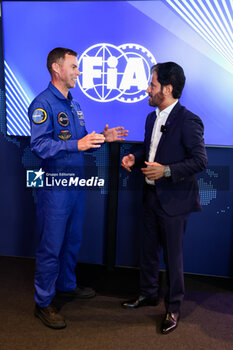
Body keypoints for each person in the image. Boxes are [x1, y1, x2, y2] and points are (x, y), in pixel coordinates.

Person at [28, 47, 128, 329]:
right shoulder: (42, 104)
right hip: (55, 189)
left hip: (76, 186)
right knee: (51, 246)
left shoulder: (74, 104)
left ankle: (66, 285)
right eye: (74, 66)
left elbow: (82, 138)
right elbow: (39, 146)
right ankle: (43, 303)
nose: (79, 72)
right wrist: (76, 144)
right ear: (56, 69)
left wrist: (102, 138)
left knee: (72, 241)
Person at [121, 62, 207, 334]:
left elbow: (200, 161)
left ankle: (173, 307)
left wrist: (166, 171)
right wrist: (136, 158)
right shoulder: (151, 117)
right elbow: (151, 148)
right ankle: (148, 293)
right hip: (150, 196)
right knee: (147, 251)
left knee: (172, 257)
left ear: (167, 89)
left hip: (174, 201)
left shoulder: (189, 120)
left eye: (152, 85)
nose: (147, 89)